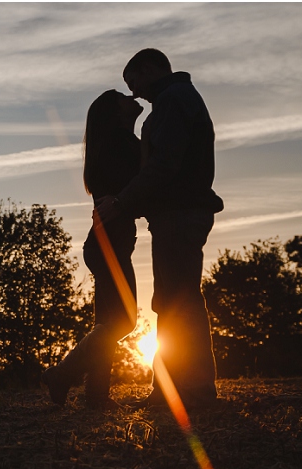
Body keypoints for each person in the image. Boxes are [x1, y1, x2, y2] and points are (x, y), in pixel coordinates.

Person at [95, 48, 224, 408]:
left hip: (181, 213)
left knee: (180, 300)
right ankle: (171, 390)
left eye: (132, 81)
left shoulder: (173, 100)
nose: (133, 91)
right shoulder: (173, 101)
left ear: (149, 69)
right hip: (174, 214)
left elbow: (164, 164)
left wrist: (122, 202)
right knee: (170, 300)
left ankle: (193, 391)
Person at [42, 89, 143, 408]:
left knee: (107, 324)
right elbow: (144, 184)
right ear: (115, 112)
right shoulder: (122, 143)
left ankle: (97, 396)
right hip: (110, 245)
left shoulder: (111, 145)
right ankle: (62, 374)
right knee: (123, 322)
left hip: (105, 244)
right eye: (124, 96)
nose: (132, 97)